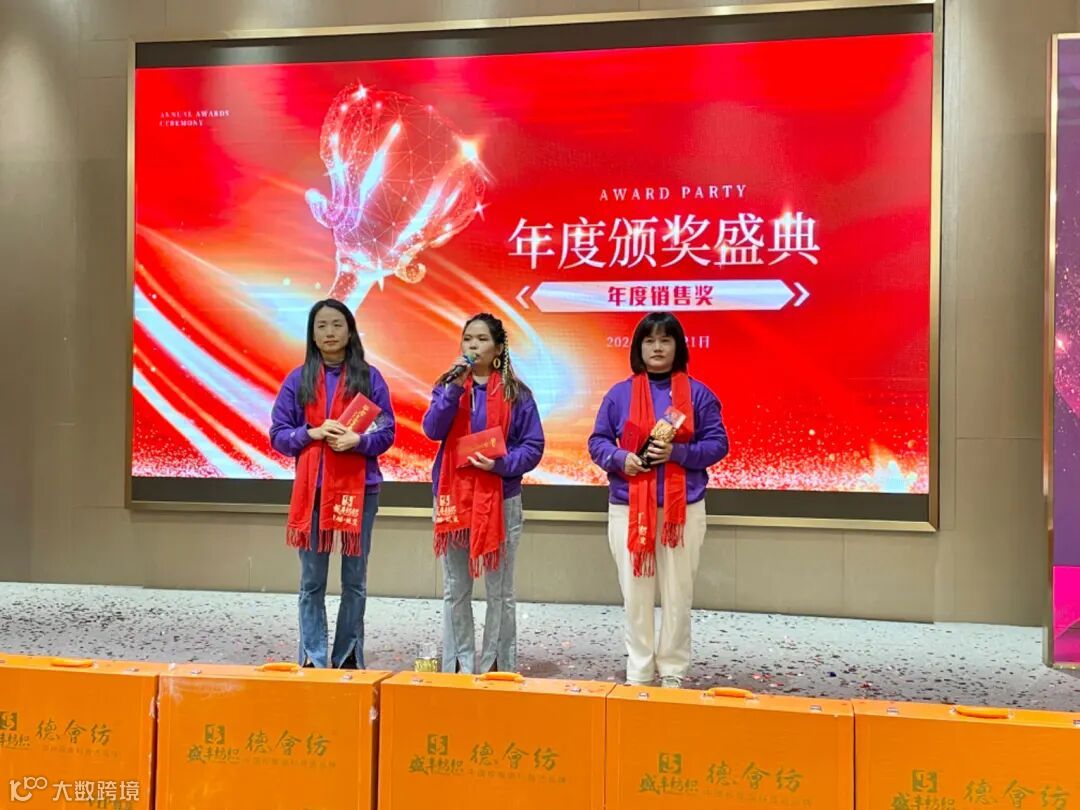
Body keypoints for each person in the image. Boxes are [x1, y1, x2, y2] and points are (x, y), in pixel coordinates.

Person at [588, 312, 728, 688]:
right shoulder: (619, 394)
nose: (658, 347)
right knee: (635, 594)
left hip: (683, 512)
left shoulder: (699, 394)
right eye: (649, 341)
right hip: (628, 508)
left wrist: (677, 454)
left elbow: (718, 444)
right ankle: (639, 669)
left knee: (678, 594)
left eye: (666, 340)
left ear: (678, 347)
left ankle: (673, 670)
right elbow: (597, 442)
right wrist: (620, 458)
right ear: (638, 348)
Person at [270, 298, 395, 669]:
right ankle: (313, 655)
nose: (329, 332)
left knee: (355, 580)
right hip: (313, 490)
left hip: (361, 489)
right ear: (312, 334)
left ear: (350, 331)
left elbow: (387, 432)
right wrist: (310, 432)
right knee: (312, 581)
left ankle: (348, 654)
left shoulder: (369, 378)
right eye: (321, 325)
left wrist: (359, 441)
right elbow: (278, 435)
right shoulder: (299, 380)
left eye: (337, 324)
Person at [423, 313, 545, 674]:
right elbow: (432, 429)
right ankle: (458, 663)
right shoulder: (448, 386)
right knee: (455, 588)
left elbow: (533, 446)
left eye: (481, 339)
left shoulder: (517, 394)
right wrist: (452, 390)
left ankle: (497, 663)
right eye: (467, 339)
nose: (473, 346)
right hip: (453, 497)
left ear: (499, 349)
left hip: (500, 498)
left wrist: (501, 464)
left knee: (500, 591)